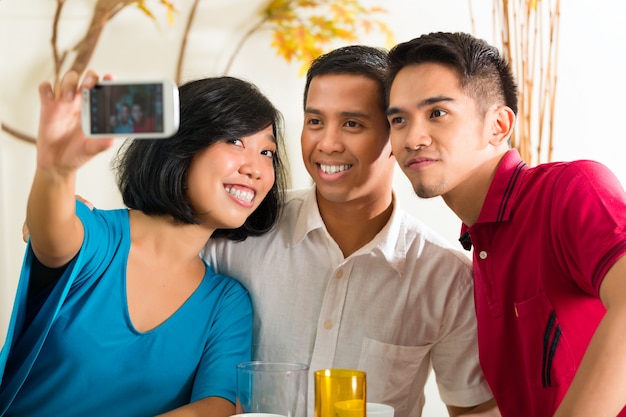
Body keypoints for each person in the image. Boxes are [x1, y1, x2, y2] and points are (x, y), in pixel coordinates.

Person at [204, 45, 498, 417]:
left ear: (396, 134)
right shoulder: (239, 235)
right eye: (315, 122)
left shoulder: (447, 277)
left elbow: (472, 408)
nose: (327, 144)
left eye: (352, 124)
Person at [0, 69, 288, 416]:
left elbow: (216, 404)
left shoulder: (227, 302)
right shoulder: (95, 234)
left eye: (267, 153)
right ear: (181, 146)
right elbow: (52, 239)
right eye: (235, 141)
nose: (256, 169)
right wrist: (56, 170)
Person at [386, 31, 626, 417]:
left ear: (498, 125)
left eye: (437, 113)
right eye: (399, 119)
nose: (412, 137)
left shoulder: (570, 190)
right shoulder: (477, 250)